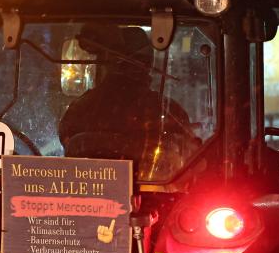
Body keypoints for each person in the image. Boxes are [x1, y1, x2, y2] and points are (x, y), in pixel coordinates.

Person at [58, 24, 199, 178]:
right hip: (154, 193)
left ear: (106, 62)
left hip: (86, 191)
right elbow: (186, 157)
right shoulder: (168, 112)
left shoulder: (80, 110)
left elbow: (67, 143)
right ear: (148, 64)